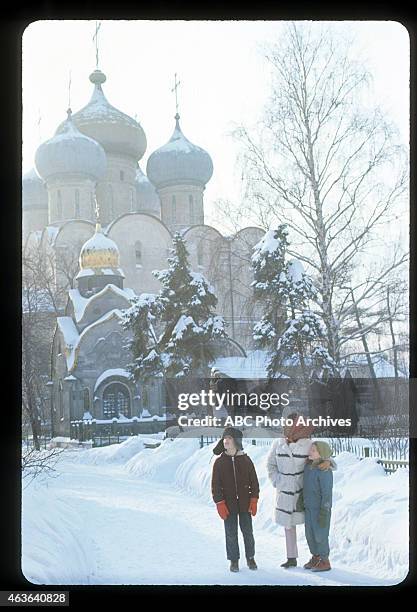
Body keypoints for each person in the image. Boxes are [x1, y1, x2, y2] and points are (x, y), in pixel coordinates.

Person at [266, 410, 333, 569]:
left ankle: (317, 557)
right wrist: (277, 481)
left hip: (303, 493)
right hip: (284, 491)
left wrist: (327, 463)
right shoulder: (278, 443)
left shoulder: (307, 444)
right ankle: (291, 557)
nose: (287, 427)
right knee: (288, 526)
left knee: (312, 526)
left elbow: (321, 455)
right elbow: (270, 465)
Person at [211, 427, 259, 572]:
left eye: (230, 438)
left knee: (248, 532)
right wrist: (219, 503)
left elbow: (254, 482)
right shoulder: (219, 462)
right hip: (228, 505)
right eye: (225, 437)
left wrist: (254, 499)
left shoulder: (246, 460)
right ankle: (234, 560)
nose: (226, 440)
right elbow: (215, 485)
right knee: (231, 533)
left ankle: (250, 557)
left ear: (236, 441)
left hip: (245, 504)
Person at [297, 441, 334, 572]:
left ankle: (325, 560)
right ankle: (316, 557)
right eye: (310, 449)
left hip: (320, 509)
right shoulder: (308, 467)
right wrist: (301, 499)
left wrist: (325, 510)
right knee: (310, 535)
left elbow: (327, 493)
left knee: (320, 535)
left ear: (321, 454)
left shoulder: (324, 470)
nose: (310, 452)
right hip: (309, 508)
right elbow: (305, 486)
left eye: (313, 450)